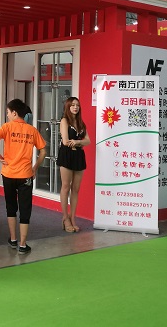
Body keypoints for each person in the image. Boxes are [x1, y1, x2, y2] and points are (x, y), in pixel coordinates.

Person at [0, 99, 46, 255]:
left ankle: (13, 239)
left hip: (8, 174)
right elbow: (43, 151)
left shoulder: (7, 127)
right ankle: (23, 244)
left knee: (11, 207)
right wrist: (35, 167)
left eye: (8, 112)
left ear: (14, 113)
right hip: (26, 175)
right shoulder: (31, 130)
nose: (7, 115)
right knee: (25, 209)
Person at [57, 97, 91, 233]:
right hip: (66, 155)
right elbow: (66, 141)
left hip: (78, 156)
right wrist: (80, 142)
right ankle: (65, 218)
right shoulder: (64, 121)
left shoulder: (81, 123)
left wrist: (77, 142)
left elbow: (88, 140)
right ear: (68, 107)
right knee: (66, 186)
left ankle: (72, 218)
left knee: (76, 189)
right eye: (72, 105)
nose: (75, 107)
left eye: (77, 105)